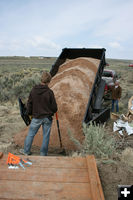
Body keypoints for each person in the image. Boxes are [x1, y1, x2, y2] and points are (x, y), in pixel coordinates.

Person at [20, 71, 57, 156]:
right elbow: (54, 108)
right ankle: (43, 154)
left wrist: (28, 114)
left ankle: (26, 151)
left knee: (31, 134)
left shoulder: (33, 90)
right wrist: (52, 111)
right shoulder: (50, 92)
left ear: (41, 79)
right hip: (47, 118)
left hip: (36, 117)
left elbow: (29, 104)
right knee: (46, 136)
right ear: (49, 81)